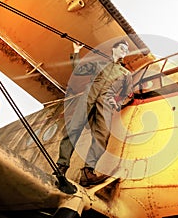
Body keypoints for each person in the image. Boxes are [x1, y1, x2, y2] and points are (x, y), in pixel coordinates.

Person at [56, 40, 133, 186]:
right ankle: (62, 166)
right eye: (122, 48)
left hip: (106, 102)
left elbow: (127, 94)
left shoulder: (125, 73)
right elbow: (78, 70)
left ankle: (87, 172)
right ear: (114, 48)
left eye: (126, 50)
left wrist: (118, 103)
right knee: (74, 129)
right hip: (88, 96)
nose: (124, 51)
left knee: (102, 136)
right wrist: (76, 51)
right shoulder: (99, 64)